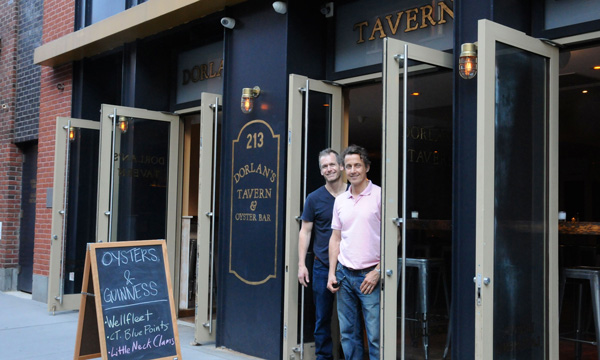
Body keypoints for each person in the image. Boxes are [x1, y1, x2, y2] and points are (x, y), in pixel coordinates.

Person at [327, 144, 381, 360]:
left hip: (370, 276)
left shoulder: (380, 196)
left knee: (376, 336)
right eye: (348, 166)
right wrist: (332, 272)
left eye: (357, 165)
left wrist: (378, 270)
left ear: (367, 167)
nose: (353, 170)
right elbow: (336, 238)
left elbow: (394, 237)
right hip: (344, 275)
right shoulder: (340, 200)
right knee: (348, 334)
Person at [298, 148, 347, 360]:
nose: (329, 169)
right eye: (324, 166)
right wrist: (301, 264)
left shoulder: (352, 194)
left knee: (351, 321)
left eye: (332, 164)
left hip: (349, 267)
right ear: (321, 171)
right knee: (322, 320)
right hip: (321, 267)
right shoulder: (314, 198)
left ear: (341, 166)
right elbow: (305, 231)